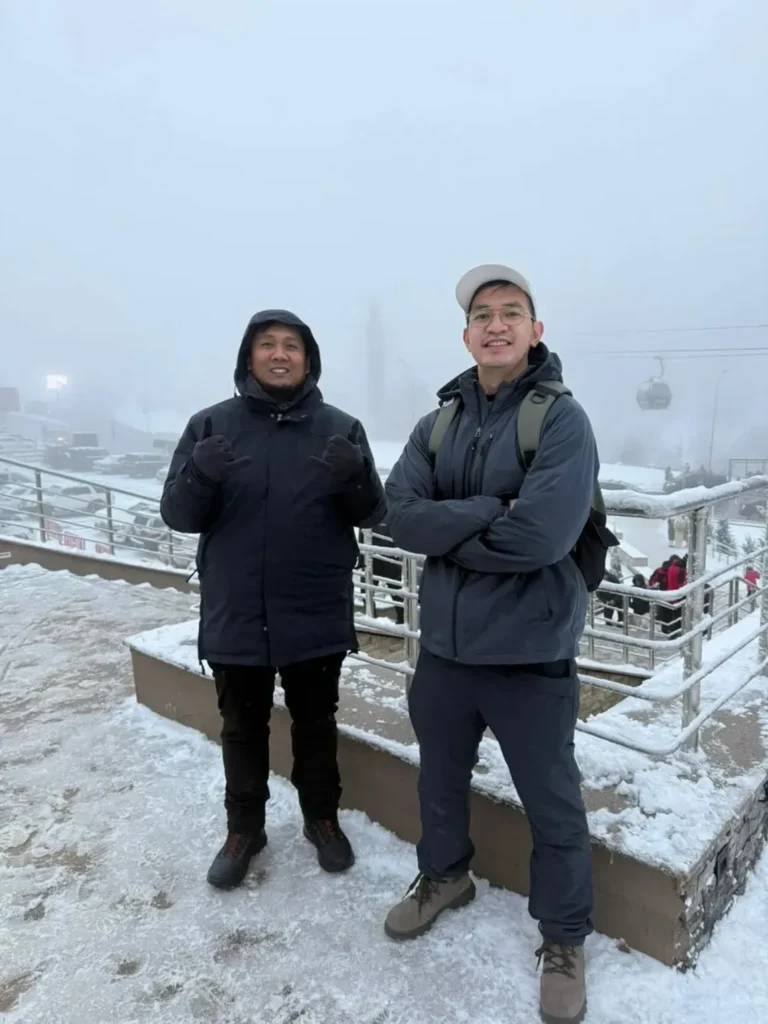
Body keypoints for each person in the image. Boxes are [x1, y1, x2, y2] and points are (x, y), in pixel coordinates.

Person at [383, 264, 598, 1024]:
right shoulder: (437, 424)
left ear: (536, 332)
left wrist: (450, 529)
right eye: (483, 314)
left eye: (511, 312)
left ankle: (564, 937)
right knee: (438, 780)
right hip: (444, 653)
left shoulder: (562, 422)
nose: (496, 324)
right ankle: (445, 875)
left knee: (552, 803)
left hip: (529, 655)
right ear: (467, 334)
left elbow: (541, 536)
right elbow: (399, 516)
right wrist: (490, 508)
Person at [160, 309, 386, 889]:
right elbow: (178, 515)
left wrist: (358, 475)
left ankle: (322, 819)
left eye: (291, 346)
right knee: (241, 728)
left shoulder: (341, 428)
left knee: (316, 724)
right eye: (267, 344)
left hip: (314, 608)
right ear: (249, 356)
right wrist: (199, 475)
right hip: (238, 609)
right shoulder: (210, 425)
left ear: (309, 360)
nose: (279, 354)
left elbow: (372, 513)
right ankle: (244, 829)